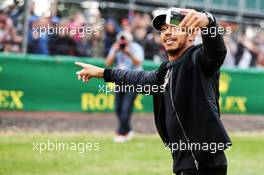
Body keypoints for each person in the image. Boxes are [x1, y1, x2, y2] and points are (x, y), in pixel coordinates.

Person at [75, 8, 232, 175]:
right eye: (164, 30)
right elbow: (140, 79)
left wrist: (209, 22)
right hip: (185, 165)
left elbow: (217, 52)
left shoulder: (197, 59)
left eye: (175, 27)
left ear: (192, 35)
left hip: (203, 166)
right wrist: (103, 73)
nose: (167, 33)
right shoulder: (166, 70)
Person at [105, 31, 144, 143]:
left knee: (126, 108)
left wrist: (129, 53)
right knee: (117, 108)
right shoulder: (116, 47)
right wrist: (115, 51)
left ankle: (121, 133)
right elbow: (108, 64)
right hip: (120, 81)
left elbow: (138, 63)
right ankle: (128, 130)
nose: (123, 43)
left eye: (125, 41)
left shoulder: (136, 48)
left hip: (134, 80)